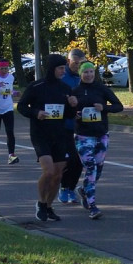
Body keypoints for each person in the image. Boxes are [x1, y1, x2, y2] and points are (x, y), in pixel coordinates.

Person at [17, 54, 77, 222]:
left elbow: (69, 115)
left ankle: (49, 207)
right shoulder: (36, 86)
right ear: (51, 69)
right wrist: (37, 113)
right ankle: (41, 203)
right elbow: (21, 107)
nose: (63, 71)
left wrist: (73, 105)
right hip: (40, 134)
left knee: (58, 175)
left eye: (64, 68)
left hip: (60, 134)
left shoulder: (65, 88)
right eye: (60, 68)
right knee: (49, 171)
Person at [71, 61, 124, 220]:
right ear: (80, 74)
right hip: (83, 135)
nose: (89, 75)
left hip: (101, 134)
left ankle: (84, 190)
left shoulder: (102, 89)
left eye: (91, 72)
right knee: (91, 167)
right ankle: (92, 205)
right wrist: (75, 114)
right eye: (85, 72)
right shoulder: (75, 91)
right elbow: (69, 111)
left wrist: (104, 108)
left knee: (98, 168)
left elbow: (118, 106)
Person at [58, 49, 86, 204]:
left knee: (80, 160)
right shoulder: (63, 78)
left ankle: (71, 188)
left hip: (82, 127)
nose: (78, 66)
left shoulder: (85, 76)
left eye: (81, 63)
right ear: (69, 61)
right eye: (75, 63)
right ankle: (63, 187)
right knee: (69, 160)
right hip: (65, 126)